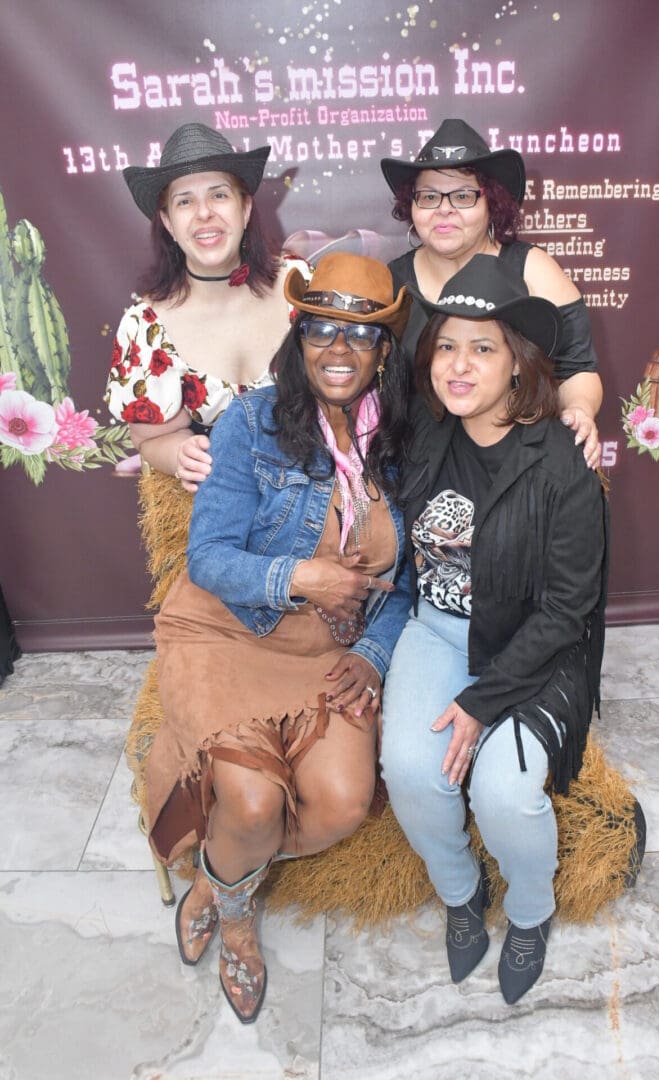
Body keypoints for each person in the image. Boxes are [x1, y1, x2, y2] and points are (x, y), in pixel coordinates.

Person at [145, 253, 413, 1024]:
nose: (338, 349)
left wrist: (373, 651)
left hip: (329, 651)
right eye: (321, 329)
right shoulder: (253, 422)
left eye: (358, 335)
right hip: (230, 631)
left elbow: (416, 581)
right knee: (256, 803)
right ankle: (235, 918)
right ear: (297, 338)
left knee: (339, 805)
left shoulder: (405, 443)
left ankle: (219, 875)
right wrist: (302, 576)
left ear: (382, 352)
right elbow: (209, 557)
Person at [380, 254, 607, 1004]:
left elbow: (567, 610)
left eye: (483, 347)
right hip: (439, 631)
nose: (459, 363)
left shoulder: (561, 462)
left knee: (504, 793)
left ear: (518, 363)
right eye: (446, 345)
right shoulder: (425, 438)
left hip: (532, 647)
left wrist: (484, 703)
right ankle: (459, 893)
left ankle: (532, 914)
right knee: (413, 771)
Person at [380, 117, 603, 468]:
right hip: (419, 468)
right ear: (411, 205)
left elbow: (578, 368)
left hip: (518, 466)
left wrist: (579, 410)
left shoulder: (534, 270)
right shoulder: (390, 282)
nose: (444, 209)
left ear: (492, 204)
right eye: (428, 196)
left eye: (464, 195)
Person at [105, 122, 308, 491]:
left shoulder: (299, 284)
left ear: (245, 208)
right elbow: (151, 439)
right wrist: (181, 453)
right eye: (184, 201)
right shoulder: (146, 326)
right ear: (167, 221)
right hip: (226, 513)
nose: (203, 214)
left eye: (218, 195)